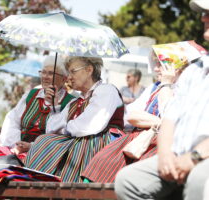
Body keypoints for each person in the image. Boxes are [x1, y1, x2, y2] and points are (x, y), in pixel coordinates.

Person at [115, 1, 209, 199]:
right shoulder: (196, 70)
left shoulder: (174, 81)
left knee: (199, 180)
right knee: (126, 180)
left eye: (208, 13)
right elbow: (169, 118)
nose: (203, 18)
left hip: (201, 156)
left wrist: (194, 157)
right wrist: (165, 154)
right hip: (174, 151)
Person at [81, 40, 206, 183]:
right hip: (138, 136)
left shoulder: (186, 91)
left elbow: (172, 120)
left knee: (136, 173)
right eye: (156, 64)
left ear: (176, 66)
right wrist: (161, 122)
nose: (157, 69)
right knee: (103, 159)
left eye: (161, 64)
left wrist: (166, 85)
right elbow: (130, 116)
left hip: (162, 143)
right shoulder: (154, 88)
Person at [24, 56, 125, 182]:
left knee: (77, 144)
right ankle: (35, 184)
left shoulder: (106, 90)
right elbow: (51, 128)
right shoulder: (75, 101)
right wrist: (54, 105)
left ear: (89, 70)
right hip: (80, 139)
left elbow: (91, 125)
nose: (69, 77)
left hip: (100, 142)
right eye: (68, 73)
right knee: (43, 140)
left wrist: (65, 127)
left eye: (73, 71)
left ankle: (67, 187)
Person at [0, 56, 75, 173]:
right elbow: (13, 120)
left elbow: (60, 135)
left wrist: (32, 146)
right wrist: (16, 145)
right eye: (43, 72)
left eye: (51, 74)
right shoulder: (31, 95)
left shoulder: (70, 102)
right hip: (17, 150)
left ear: (64, 79)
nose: (45, 77)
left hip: (43, 156)